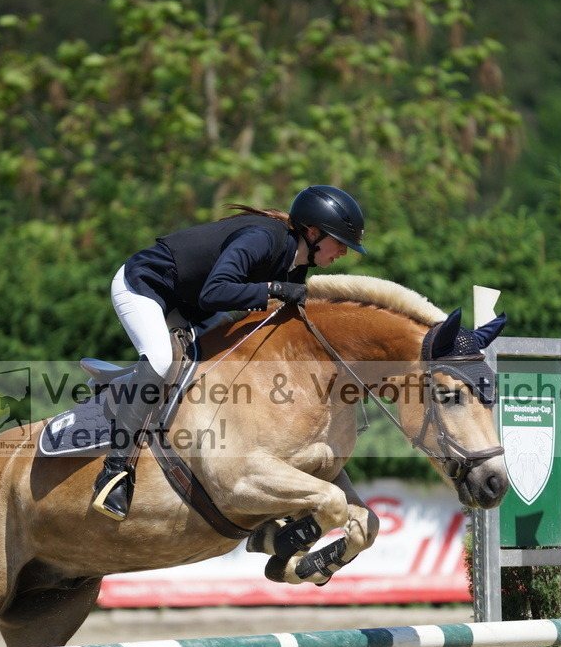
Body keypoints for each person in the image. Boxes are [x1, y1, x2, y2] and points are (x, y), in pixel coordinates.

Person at [92, 185, 366, 520]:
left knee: (237, 354)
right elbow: (214, 293)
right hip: (147, 285)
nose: (344, 253)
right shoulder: (263, 240)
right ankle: (115, 472)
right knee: (162, 360)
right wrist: (274, 289)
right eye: (340, 243)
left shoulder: (296, 264)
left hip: (191, 303)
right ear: (313, 233)